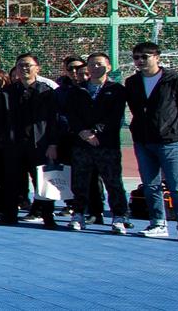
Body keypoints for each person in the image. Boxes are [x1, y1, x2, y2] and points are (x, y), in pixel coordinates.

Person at [125, 42, 178, 244]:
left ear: (157, 57)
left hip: (170, 141)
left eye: (145, 56)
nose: (140, 60)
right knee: (151, 185)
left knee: (176, 186)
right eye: (136, 57)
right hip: (143, 141)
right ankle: (158, 223)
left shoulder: (174, 80)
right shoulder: (132, 82)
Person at [59, 52, 128, 233]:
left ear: (108, 67)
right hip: (81, 145)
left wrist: (96, 132)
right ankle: (78, 214)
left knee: (113, 182)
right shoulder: (77, 90)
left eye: (99, 64)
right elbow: (71, 114)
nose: (95, 67)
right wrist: (82, 132)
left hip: (107, 145)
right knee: (80, 182)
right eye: (92, 64)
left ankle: (119, 216)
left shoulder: (117, 90)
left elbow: (115, 117)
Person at [0, 54, 58, 228]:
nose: (24, 68)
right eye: (20, 65)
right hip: (14, 145)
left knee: (42, 181)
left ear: (37, 68)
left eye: (28, 65)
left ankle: (47, 216)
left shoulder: (47, 92)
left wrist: (52, 144)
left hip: (40, 145)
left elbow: (53, 120)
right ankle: (10, 215)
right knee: (11, 181)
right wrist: (4, 139)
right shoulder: (7, 92)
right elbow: (0, 120)